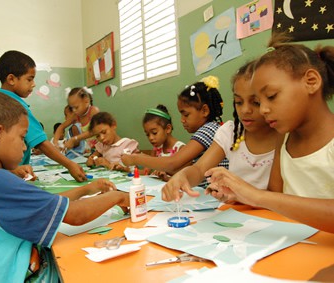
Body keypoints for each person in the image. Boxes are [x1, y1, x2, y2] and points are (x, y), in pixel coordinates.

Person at [0, 90, 130, 282]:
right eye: (22, 138)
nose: (25, 147)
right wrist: (119, 197)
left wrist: (87, 189)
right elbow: (75, 215)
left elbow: (48, 203)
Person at [203, 35, 334, 234]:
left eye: (271, 96)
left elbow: (267, 198)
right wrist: (238, 194)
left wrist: (256, 196)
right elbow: (276, 196)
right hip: (290, 242)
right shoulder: (285, 138)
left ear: (311, 81)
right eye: (259, 101)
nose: (263, 110)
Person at [162, 61, 279, 202]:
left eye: (255, 102)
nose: (245, 110)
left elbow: (277, 196)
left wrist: (238, 195)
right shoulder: (231, 133)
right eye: (239, 102)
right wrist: (183, 176)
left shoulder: (283, 136)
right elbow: (199, 169)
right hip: (234, 212)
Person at [0, 50, 86, 182]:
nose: (33, 84)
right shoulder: (16, 106)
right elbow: (41, 142)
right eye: (29, 79)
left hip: (4, 174)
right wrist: (70, 164)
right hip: (13, 178)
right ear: (11, 79)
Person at [122, 75, 228, 185]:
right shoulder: (215, 128)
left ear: (204, 111)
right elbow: (178, 168)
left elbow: (172, 163)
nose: (182, 120)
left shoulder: (208, 130)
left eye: (186, 115)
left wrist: (135, 159)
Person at [54, 87, 99, 153]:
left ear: (86, 101)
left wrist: (75, 139)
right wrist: (55, 143)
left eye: (76, 107)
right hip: (94, 149)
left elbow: (95, 131)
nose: (74, 110)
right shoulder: (77, 115)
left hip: (105, 145)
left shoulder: (93, 111)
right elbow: (61, 127)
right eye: (72, 108)